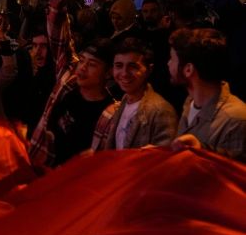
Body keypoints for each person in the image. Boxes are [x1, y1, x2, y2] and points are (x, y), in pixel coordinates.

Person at [29, 0, 116, 168]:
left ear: (109, 73)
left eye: (92, 64)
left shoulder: (112, 116)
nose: (83, 68)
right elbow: (58, 29)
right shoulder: (68, 79)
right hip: (46, 174)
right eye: (83, 60)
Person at [169, 28, 246, 161]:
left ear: (188, 69)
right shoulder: (190, 102)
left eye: (172, 58)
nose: (168, 63)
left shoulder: (235, 119)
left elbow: (234, 175)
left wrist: (203, 151)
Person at [93, 37, 178, 151]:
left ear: (149, 69)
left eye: (132, 66)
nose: (124, 73)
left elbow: (163, 159)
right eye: (119, 66)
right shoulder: (122, 103)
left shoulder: (161, 111)